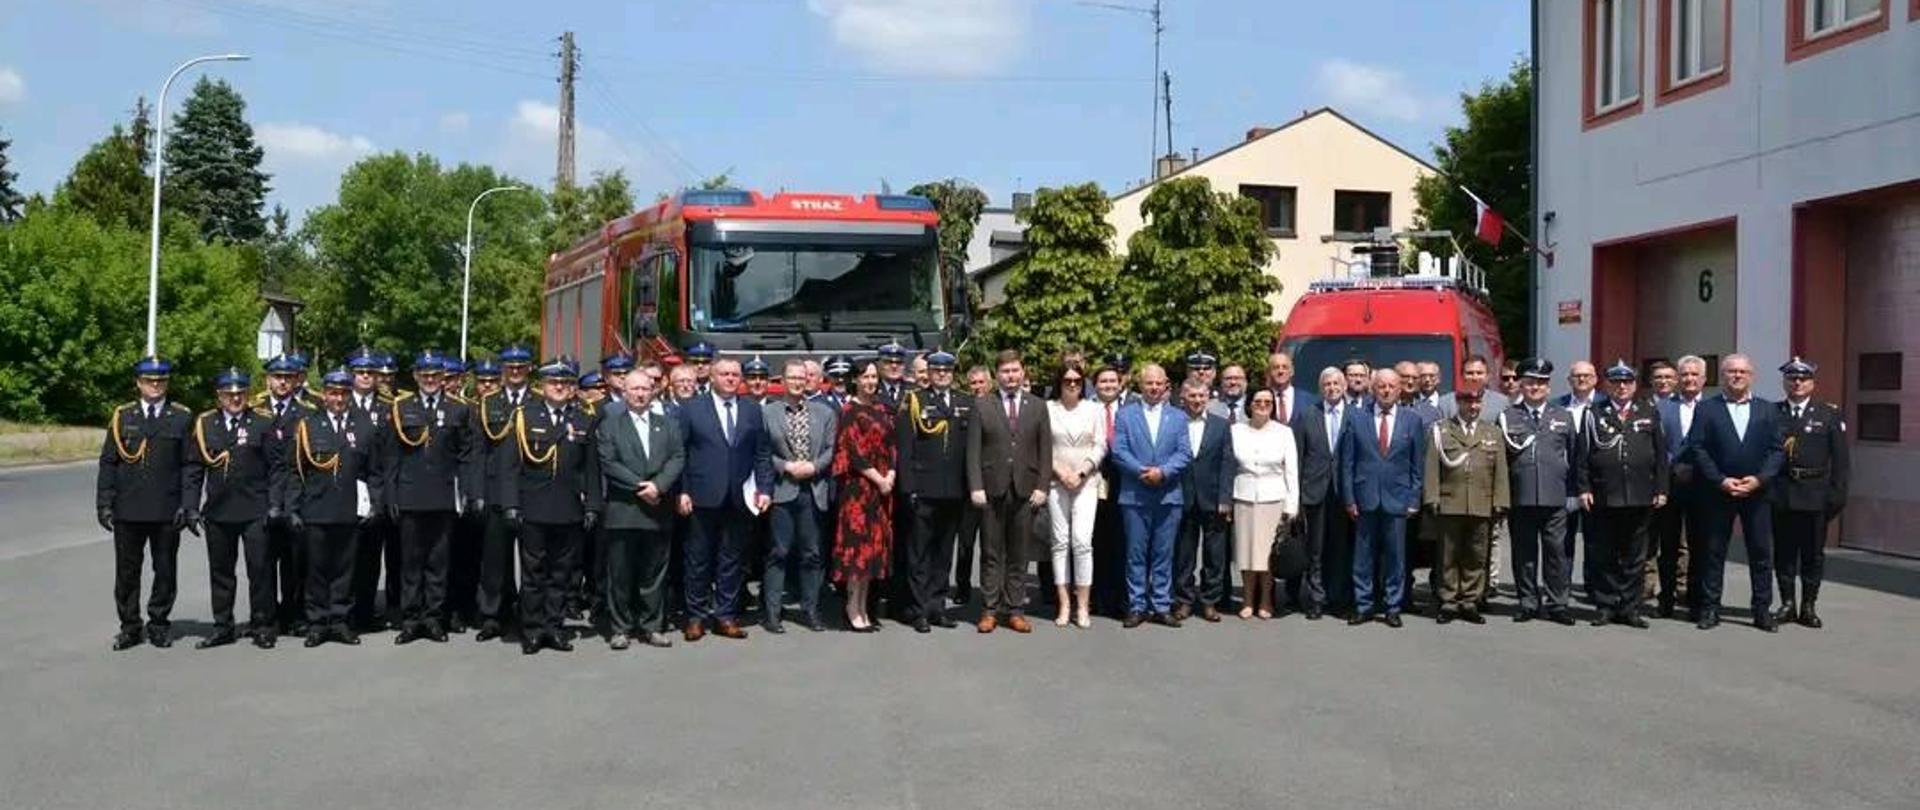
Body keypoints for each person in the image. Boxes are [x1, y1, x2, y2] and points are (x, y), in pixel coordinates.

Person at [497, 359, 603, 654]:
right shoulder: (524, 417)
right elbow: (510, 467)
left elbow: (591, 468)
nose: (559, 387)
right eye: (554, 382)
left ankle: (554, 627)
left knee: (561, 574)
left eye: (565, 383)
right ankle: (532, 629)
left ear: (572, 388)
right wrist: (510, 504)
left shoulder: (583, 419)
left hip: (569, 508)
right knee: (533, 573)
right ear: (542, 386)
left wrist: (593, 505)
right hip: (533, 508)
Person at [98, 356, 202, 650]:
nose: (155, 385)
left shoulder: (181, 417)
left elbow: (190, 465)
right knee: (127, 572)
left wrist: (188, 504)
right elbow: (109, 462)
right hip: (128, 508)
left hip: (166, 509)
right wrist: (104, 503)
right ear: (138, 383)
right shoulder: (123, 416)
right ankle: (130, 626)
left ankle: (158, 623)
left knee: (165, 570)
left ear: (166, 383)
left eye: (160, 381)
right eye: (149, 381)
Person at [378, 350, 479, 644]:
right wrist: (391, 494)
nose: (430, 379)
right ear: (415, 376)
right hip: (409, 495)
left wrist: (466, 492)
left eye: (435, 375)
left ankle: (434, 618)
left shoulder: (458, 409)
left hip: (444, 495)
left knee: (438, 562)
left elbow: (466, 456)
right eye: (425, 375)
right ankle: (411, 619)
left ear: (443, 377)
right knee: (410, 562)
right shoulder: (401, 407)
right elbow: (391, 456)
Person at [674, 358, 774, 641]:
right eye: (724, 374)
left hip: (740, 497)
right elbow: (680, 452)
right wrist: (682, 490)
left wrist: (765, 489)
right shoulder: (691, 408)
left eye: (735, 374)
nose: (730, 378)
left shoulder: (752, 410)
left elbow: (762, 453)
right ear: (712, 377)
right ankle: (696, 616)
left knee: (732, 559)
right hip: (701, 496)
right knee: (698, 559)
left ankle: (725, 616)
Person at [1688, 353, 1785, 631]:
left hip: (1757, 493)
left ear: (1751, 376)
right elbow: (1698, 448)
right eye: (1731, 371)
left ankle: (1762, 610)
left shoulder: (1767, 410)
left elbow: (1777, 450)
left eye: (1742, 371)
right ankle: (1710, 609)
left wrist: (1760, 479)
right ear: (1722, 376)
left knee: (1761, 553)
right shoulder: (1707, 409)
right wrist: (1720, 480)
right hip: (1719, 492)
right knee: (1713, 552)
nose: (1737, 376)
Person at [283, 368, 379, 647]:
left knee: (344, 570)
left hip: (350, 510)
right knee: (316, 570)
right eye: (333, 393)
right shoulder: (308, 425)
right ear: (324, 395)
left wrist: (375, 504)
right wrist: (293, 508)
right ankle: (317, 622)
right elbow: (296, 471)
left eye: (344, 393)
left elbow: (374, 471)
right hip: (316, 509)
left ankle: (340, 621)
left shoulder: (364, 425)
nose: (338, 399)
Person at [191, 368, 281, 649]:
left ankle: (262, 626)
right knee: (221, 572)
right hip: (219, 511)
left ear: (247, 394)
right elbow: (194, 469)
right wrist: (191, 507)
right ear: (219, 397)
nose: (235, 399)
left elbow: (277, 467)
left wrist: (275, 504)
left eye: (240, 393)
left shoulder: (263, 422)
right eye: (229, 394)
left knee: (260, 571)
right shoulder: (206, 423)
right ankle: (223, 627)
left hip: (255, 509)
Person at [599, 368, 685, 649]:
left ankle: (652, 626)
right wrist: (641, 487)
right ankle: (620, 628)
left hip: (657, 509)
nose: (640, 394)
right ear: (624, 392)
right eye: (634, 389)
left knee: (654, 572)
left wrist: (658, 487)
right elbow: (609, 462)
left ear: (653, 392)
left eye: (645, 389)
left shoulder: (667, 424)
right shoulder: (611, 424)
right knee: (620, 573)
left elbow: (677, 457)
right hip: (624, 509)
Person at [1577, 361, 1668, 628]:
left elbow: (1661, 455)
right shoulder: (1593, 413)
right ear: (1608, 386)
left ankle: (1630, 607)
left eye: (1627, 382)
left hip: (1639, 494)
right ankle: (1606, 605)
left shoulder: (1648, 411)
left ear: (1634, 385)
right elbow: (1582, 456)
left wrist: (1661, 488)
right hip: (1605, 494)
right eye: (1616, 383)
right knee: (1604, 552)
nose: (1622, 387)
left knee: (1635, 555)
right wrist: (1584, 488)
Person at [966, 350, 1052, 633]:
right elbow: (973, 450)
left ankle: (1015, 609)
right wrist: (976, 486)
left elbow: (1045, 450)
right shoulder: (983, 405)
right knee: (991, 552)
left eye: (1015, 370)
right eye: (1005, 371)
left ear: (1023, 372)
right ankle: (990, 609)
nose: (1011, 376)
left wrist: (1042, 486)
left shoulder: (1038, 406)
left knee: (1019, 553)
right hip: (991, 489)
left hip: (1025, 489)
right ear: (997, 375)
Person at [1340, 368, 1425, 627]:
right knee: (1362, 557)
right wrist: (1349, 498)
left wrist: (1414, 499)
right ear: (1373, 389)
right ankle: (1364, 605)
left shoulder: (1412, 420)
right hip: (1364, 498)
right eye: (1381, 386)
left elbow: (1417, 465)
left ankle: (1392, 606)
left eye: (1391, 386)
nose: (1386, 391)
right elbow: (1347, 463)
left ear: (1399, 389)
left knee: (1396, 558)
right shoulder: (1357, 418)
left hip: (1398, 499)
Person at [1109, 363, 1191, 628]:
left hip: (1168, 494)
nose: (1154, 388)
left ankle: (1161, 605)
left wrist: (1163, 472)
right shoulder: (1125, 415)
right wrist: (1141, 471)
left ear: (1166, 385)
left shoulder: (1178, 417)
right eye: (1149, 383)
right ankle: (1137, 605)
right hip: (1135, 493)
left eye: (1158, 383)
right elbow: (1119, 451)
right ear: (1140, 385)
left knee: (1163, 554)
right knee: (1135, 553)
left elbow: (1184, 453)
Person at [897, 350, 972, 632]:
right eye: (937, 370)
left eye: (947, 370)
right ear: (928, 373)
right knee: (919, 554)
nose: (942, 374)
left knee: (943, 554)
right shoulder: (915, 400)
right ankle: (918, 610)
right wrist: (909, 488)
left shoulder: (965, 401)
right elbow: (906, 449)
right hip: (923, 490)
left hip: (954, 491)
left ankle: (936, 608)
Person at [1771, 357, 1848, 629]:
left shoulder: (1828, 414)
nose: (1797, 383)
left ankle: (1808, 606)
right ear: (1784, 382)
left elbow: (1841, 461)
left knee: (1813, 555)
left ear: (1812, 383)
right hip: (1782, 494)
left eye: (1803, 379)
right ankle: (1787, 603)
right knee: (1784, 553)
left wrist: (1837, 496)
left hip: (1816, 495)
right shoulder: (1773, 412)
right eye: (1792, 378)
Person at [1501, 359, 1578, 625]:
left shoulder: (1563, 416)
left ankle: (1557, 604)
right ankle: (1528, 602)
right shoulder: (1508, 416)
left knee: (1556, 553)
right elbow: (1502, 460)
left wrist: (1573, 493)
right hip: (1520, 496)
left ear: (1548, 387)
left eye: (1541, 383)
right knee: (1524, 553)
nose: (1535, 387)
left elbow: (1574, 456)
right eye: (1530, 382)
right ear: (1521, 385)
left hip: (1555, 496)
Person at [1422, 384, 1507, 624]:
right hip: (1450, 502)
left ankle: (1470, 600)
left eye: (1477, 402)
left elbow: (1500, 471)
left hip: (1481, 503)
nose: (1473, 407)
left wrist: (1501, 501)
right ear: (1458, 403)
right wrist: (1432, 497)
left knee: (1476, 555)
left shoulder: (1492, 432)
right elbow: (1431, 467)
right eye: (1468, 402)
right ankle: (1448, 601)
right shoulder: (1442, 430)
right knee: (1447, 555)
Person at [763, 360, 837, 633]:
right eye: (792, 377)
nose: (797, 382)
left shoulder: (825, 413)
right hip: (782, 490)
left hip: (813, 490)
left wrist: (814, 467)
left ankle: (811, 609)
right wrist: (785, 466)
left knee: (812, 554)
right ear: (782, 381)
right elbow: (762, 451)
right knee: (778, 552)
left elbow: (831, 449)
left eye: (801, 378)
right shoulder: (768, 413)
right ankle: (772, 613)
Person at [469, 345, 532, 642]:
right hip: (495, 490)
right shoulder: (488, 403)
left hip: (531, 490)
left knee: (532, 560)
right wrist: (476, 492)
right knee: (494, 560)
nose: (515, 371)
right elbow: (478, 452)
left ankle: (528, 614)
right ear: (503, 370)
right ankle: (492, 616)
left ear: (529, 369)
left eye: (520, 367)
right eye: (510, 367)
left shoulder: (539, 401)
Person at [834, 359, 897, 632]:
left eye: (874, 377)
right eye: (865, 377)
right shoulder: (849, 411)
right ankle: (852, 607)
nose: (871, 381)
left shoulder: (882, 409)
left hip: (881, 490)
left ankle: (863, 606)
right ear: (855, 380)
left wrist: (891, 473)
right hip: (859, 490)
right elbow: (854, 453)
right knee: (857, 550)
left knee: (873, 550)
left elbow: (892, 445)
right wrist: (879, 478)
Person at [258, 352, 316, 637]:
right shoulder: (254, 411)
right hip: (262, 500)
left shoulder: (307, 413)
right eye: (277, 377)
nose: (282, 382)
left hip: (296, 500)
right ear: (268, 380)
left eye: (288, 377)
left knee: (296, 564)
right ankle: (267, 618)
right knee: (264, 564)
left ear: (296, 380)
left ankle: (295, 615)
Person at [1044, 363, 1104, 628]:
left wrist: (1081, 472)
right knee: (1059, 542)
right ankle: (1064, 604)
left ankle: (1082, 605)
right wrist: (1059, 470)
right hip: (1056, 482)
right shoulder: (1048, 409)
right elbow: (1043, 445)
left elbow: (1100, 445)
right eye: (1067, 380)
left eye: (1077, 381)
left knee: (1081, 542)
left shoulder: (1094, 409)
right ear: (1059, 382)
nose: (1072, 385)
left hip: (1086, 482)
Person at [1229, 387, 1298, 620]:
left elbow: (1291, 471)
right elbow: (1229, 467)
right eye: (1258, 401)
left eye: (1268, 402)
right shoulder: (1236, 430)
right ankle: (1248, 599)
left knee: (1268, 554)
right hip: (1244, 497)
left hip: (1273, 498)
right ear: (1249, 404)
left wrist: (1291, 505)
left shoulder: (1284, 432)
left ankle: (1267, 599)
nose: (1263, 405)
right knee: (1246, 552)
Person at [344, 347, 398, 632]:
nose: (366, 376)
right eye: (360, 372)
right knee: (345, 556)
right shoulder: (339, 401)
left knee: (371, 555)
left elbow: (392, 455)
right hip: (345, 490)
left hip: (377, 490)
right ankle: (344, 612)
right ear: (351, 374)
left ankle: (365, 612)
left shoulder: (389, 407)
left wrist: (384, 497)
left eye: (370, 372)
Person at [1173, 378, 1235, 622]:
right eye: (1192, 396)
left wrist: (1225, 498)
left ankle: (1210, 601)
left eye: (1201, 396)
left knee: (1214, 554)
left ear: (1208, 397)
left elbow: (1228, 462)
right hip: (1183, 497)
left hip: (1213, 498)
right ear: (1183, 398)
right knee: (1183, 554)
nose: (1197, 400)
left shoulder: (1222, 425)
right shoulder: (1174, 422)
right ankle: (1184, 600)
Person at [1293, 367, 1350, 619]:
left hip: (1344, 492)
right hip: (1314, 490)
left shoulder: (1356, 416)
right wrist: (1296, 497)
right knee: (1315, 548)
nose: (1332, 388)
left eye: (1337, 383)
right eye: (1327, 384)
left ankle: (1338, 598)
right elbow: (1298, 457)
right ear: (1321, 388)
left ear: (1344, 386)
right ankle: (1316, 598)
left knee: (1341, 548)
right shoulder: (1307, 415)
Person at [1653, 355, 1707, 617]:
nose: (1689, 379)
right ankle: (1666, 598)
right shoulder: (1663, 407)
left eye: (1694, 374)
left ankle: (1695, 600)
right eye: (1685, 374)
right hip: (1670, 485)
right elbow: (1657, 446)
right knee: (1669, 546)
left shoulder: (1713, 408)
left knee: (1699, 545)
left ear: (1703, 379)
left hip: (1702, 486)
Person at [1555, 359, 1602, 595]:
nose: (1582, 379)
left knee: (1596, 540)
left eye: (1587, 375)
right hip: (1564, 483)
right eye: (1577, 376)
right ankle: (1561, 589)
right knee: (1563, 540)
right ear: (1569, 380)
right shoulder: (1557, 406)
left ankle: (1593, 588)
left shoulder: (1606, 405)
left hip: (1596, 484)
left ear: (1595, 379)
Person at [951, 363, 996, 604]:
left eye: (981, 382)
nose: (978, 387)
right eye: (973, 383)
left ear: (990, 383)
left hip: (993, 484)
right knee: (966, 542)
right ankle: (962, 586)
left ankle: (989, 589)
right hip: (967, 487)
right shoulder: (964, 408)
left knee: (991, 544)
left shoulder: (997, 407)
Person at [876, 342, 910, 408]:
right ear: (879, 364)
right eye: (888, 362)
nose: (894, 366)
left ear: (904, 366)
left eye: (899, 362)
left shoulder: (915, 390)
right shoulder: (872, 389)